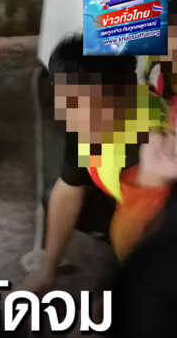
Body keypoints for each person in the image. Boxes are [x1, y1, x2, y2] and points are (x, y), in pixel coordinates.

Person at [23, 35, 167, 293]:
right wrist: (47, 271)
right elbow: (67, 193)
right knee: (55, 196)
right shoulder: (84, 125)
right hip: (124, 201)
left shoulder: (154, 147)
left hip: (160, 226)